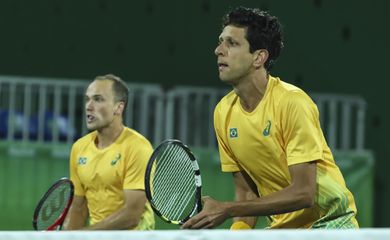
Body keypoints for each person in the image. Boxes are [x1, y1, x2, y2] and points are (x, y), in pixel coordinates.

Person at [182, 7, 358, 229]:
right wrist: (237, 232)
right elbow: (246, 192)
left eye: (232, 43)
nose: (219, 50)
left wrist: (227, 209)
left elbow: (304, 193)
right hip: (282, 230)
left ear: (259, 57)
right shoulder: (223, 113)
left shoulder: (293, 102)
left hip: (330, 223)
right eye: (220, 42)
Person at [63, 74, 154, 230]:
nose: (88, 106)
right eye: (87, 99)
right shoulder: (79, 148)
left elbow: (131, 216)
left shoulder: (138, 147)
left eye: (98, 99)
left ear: (118, 107)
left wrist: (85, 236)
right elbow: (79, 207)